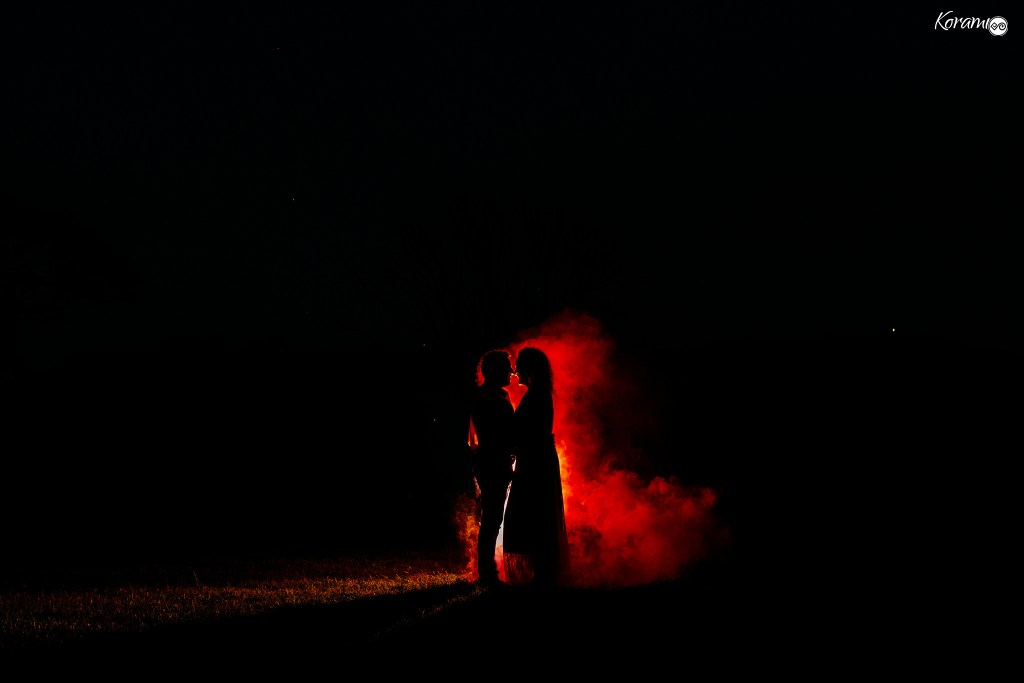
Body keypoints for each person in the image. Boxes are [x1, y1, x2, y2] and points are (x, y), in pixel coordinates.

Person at [501, 346, 570, 587]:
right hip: (536, 458)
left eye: (519, 363)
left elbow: (528, 430)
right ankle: (541, 573)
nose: (515, 369)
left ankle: (543, 574)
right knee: (536, 512)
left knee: (535, 512)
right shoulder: (538, 393)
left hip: (535, 460)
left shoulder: (537, 394)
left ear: (530, 367)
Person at [467, 349, 516, 588]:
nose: (512, 371)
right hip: (492, 461)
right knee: (492, 516)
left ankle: (487, 570)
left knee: (493, 516)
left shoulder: (493, 395)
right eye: (507, 367)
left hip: (493, 460)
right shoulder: (489, 398)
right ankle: (487, 573)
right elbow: (495, 434)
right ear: (496, 370)